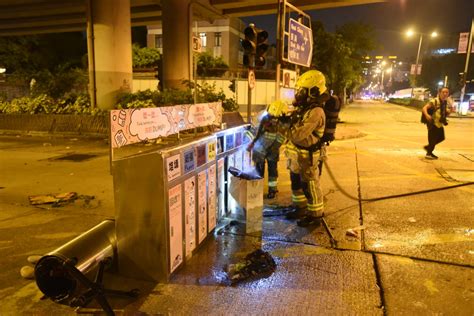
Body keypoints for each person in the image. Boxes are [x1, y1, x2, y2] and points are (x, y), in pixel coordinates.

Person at [284, 70, 329, 227]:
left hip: (308, 157)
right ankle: (300, 207)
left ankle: (315, 214)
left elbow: (298, 134)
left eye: (302, 90)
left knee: (310, 185)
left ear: (314, 91)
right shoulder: (305, 108)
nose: (299, 94)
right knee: (296, 182)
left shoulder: (316, 111)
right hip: (298, 156)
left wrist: (280, 126)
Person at [247, 100, 289, 199]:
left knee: (262, 170)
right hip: (266, 149)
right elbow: (281, 138)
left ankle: (262, 190)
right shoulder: (284, 122)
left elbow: (256, 132)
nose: (273, 119)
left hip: (262, 149)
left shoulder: (265, 118)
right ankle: (270, 190)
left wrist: (252, 144)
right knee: (270, 170)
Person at [422, 87, 453, 160]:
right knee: (432, 139)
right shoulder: (434, 101)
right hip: (432, 123)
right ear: (439, 93)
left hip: (439, 123)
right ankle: (429, 153)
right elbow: (424, 108)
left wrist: (451, 110)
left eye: (447, 92)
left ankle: (428, 148)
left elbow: (445, 113)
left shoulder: (444, 102)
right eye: (443, 92)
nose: (445, 94)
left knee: (441, 137)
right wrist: (427, 115)